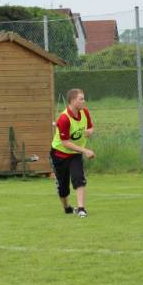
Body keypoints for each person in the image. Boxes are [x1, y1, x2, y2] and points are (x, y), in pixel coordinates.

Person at [49, 89, 95, 218]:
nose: (84, 101)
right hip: (59, 154)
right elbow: (65, 143)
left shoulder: (84, 112)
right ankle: (67, 207)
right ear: (73, 101)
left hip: (75, 153)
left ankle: (81, 208)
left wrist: (90, 131)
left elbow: (90, 126)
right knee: (63, 187)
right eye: (81, 99)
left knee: (78, 178)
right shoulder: (64, 118)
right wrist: (85, 150)